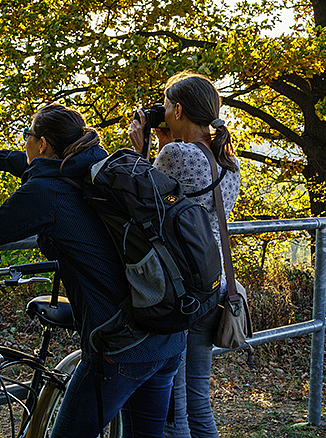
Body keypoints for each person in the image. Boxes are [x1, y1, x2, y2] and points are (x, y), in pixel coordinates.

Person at [0, 104, 186, 438]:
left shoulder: (46, 193)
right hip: (165, 332)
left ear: (41, 145)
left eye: (28, 136)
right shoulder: (99, 168)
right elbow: (35, 170)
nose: (25, 143)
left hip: (121, 345)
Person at [129, 72, 241, 438]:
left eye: (164, 106)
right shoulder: (228, 160)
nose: (161, 111)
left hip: (180, 289)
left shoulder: (174, 154)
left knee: (174, 410)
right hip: (216, 282)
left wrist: (140, 150)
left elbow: (141, 201)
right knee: (198, 398)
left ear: (177, 109)